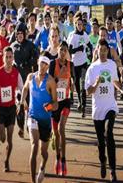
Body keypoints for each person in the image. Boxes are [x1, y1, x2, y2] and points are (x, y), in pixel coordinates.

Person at [85, 39, 122, 182]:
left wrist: (121, 88)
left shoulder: (112, 65)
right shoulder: (92, 68)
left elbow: (114, 81)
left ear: (108, 51)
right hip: (97, 109)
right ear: (97, 50)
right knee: (101, 142)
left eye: (105, 50)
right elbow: (89, 91)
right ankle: (102, 160)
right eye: (100, 50)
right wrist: (96, 83)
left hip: (110, 106)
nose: (103, 52)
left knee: (109, 133)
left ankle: (113, 170)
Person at [19, 54, 58, 183]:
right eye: (41, 63)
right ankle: (33, 181)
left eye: (46, 64)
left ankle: (42, 167)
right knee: (34, 146)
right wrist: (22, 101)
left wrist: (50, 106)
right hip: (32, 117)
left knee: (43, 152)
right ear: (37, 62)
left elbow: (56, 103)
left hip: (46, 121)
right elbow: (25, 89)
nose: (43, 66)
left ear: (48, 67)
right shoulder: (30, 77)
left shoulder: (51, 81)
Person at [0, 47, 23, 172]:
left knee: (9, 139)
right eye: (6, 57)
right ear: (3, 58)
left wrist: (21, 100)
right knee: (2, 138)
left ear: (13, 58)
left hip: (12, 108)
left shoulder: (16, 73)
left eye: (10, 57)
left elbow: (22, 87)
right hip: (1, 108)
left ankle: (7, 162)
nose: (8, 59)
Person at [49, 41, 74, 177]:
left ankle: (64, 160)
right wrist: (59, 77)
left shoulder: (71, 64)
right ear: (58, 50)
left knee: (61, 129)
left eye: (65, 50)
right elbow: (50, 83)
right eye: (61, 50)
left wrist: (73, 87)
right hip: (54, 103)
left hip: (65, 102)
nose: (63, 52)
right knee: (56, 133)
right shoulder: (53, 64)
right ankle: (57, 157)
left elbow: (72, 81)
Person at [67, 15, 92, 117]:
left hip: (83, 63)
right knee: (77, 84)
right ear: (76, 25)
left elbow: (90, 45)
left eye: (81, 24)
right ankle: (79, 101)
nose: (80, 26)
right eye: (78, 24)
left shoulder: (85, 35)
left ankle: (83, 107)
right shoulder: (73, 36)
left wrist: (90, 55)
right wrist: (79, 49)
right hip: (75, 64)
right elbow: (70, 50)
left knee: (83, 85)